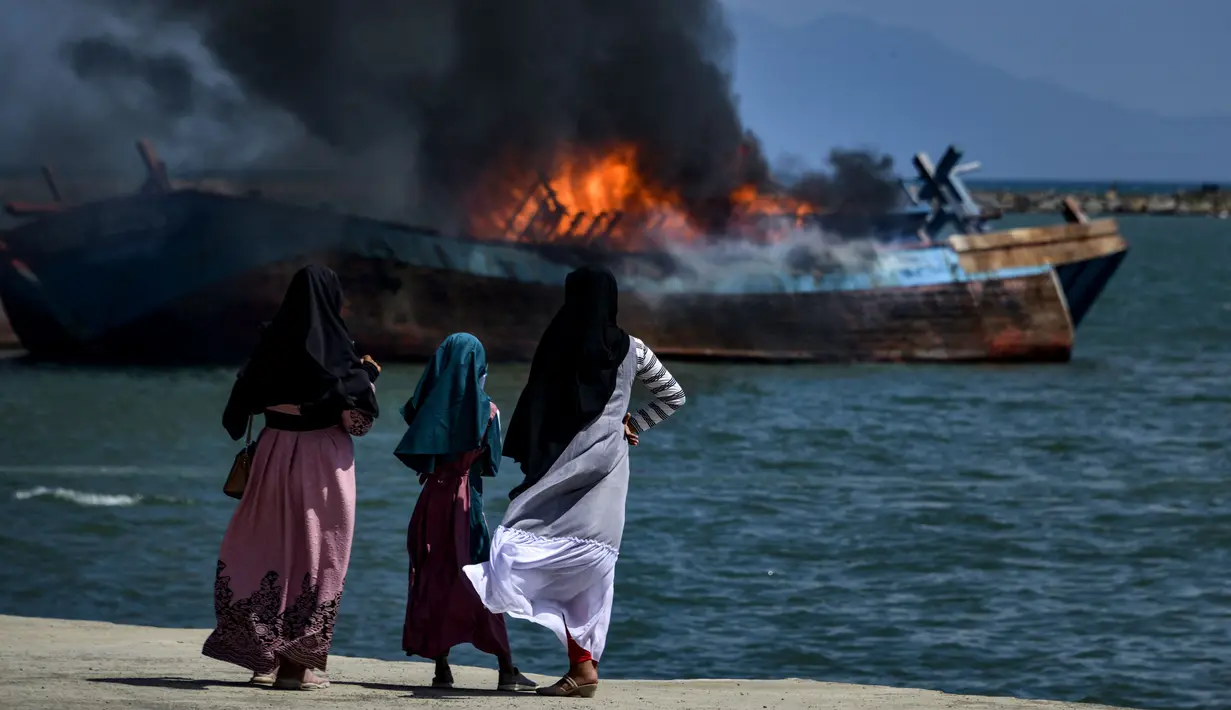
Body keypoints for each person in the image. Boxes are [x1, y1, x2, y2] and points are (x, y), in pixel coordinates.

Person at [463, 265, 686, 698]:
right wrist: (632, 421)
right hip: (608, 468)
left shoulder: (557, 341)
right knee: (594, 568)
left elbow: (538, 407)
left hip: (558, 465)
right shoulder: (634, 350)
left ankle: (579, 668)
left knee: (524, 541)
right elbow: (674, 395)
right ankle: (583, 667)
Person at [204, 264, 381, 692]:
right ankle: (294, 667)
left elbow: (237, 411)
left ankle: (262, 659)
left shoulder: (270, 346)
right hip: (322, 462)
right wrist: (367, 378)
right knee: (319, 556)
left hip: (272, 455)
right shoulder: (340, 355)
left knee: (269, 552)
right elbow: (357, 423)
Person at [394, 333, 536, 693]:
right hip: (465, 504)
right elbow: (490, 465)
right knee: (482, 580)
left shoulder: (425, 408)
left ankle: (442, 669)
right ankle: (506, 668)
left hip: (430, 504)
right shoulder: (488, 412)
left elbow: (419, 438)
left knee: (433, 577)